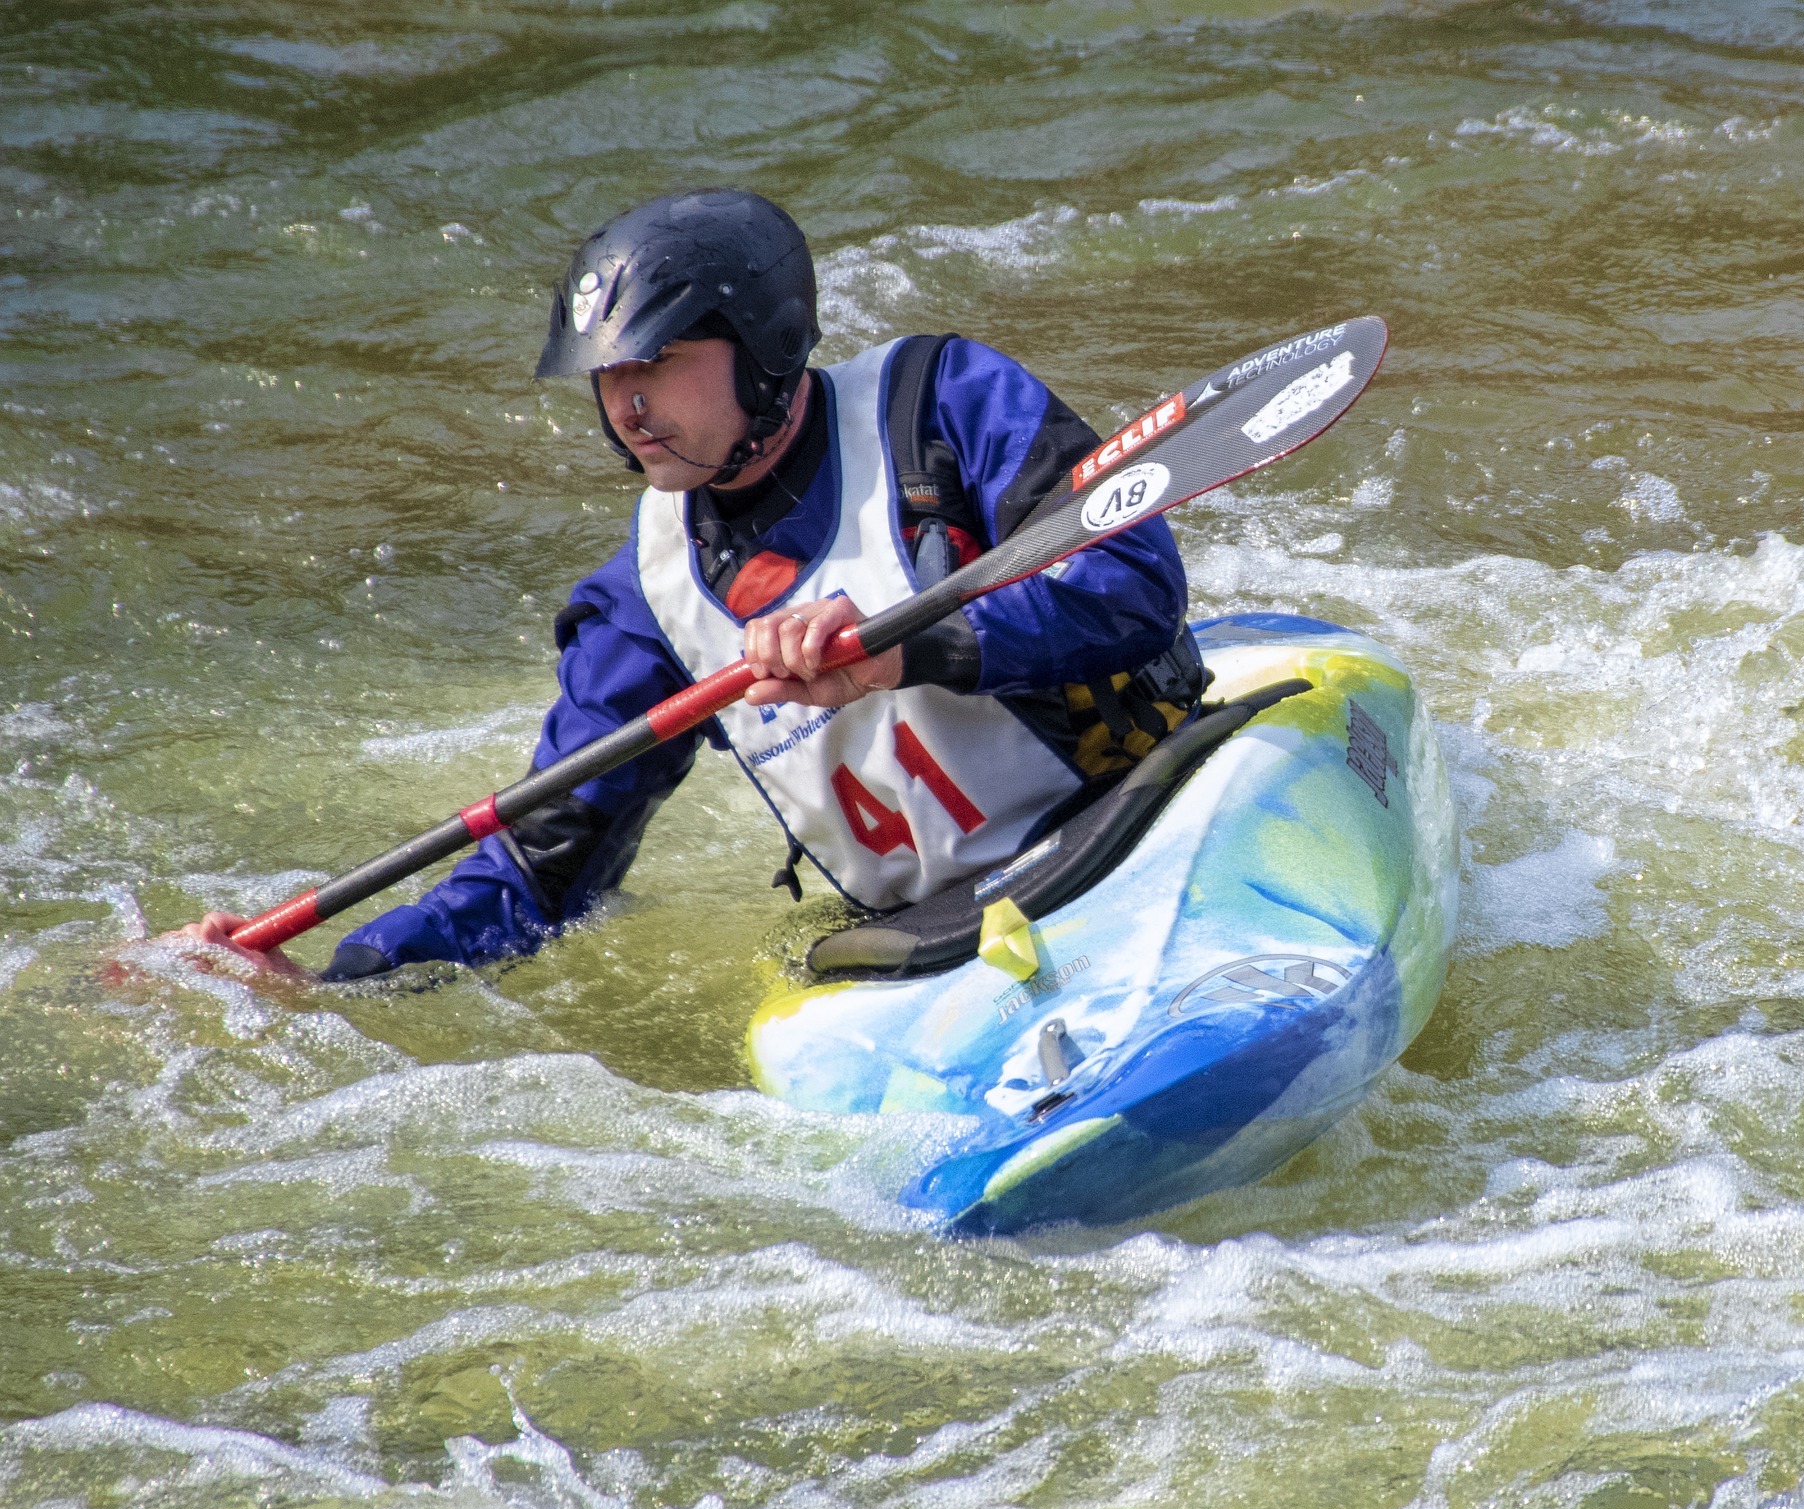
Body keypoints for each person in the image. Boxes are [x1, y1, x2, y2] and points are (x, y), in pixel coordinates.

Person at [173, 189, 1198, 980]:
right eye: (607, 374)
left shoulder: (942, 404)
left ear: (763, 346)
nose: (626, 404)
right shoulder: (647, 598)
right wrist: (330, 972)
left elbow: (1135, 579)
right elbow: (540, 869)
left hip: (1134, 806)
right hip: (932, 933)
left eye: (655, 361)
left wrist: (903, 648)